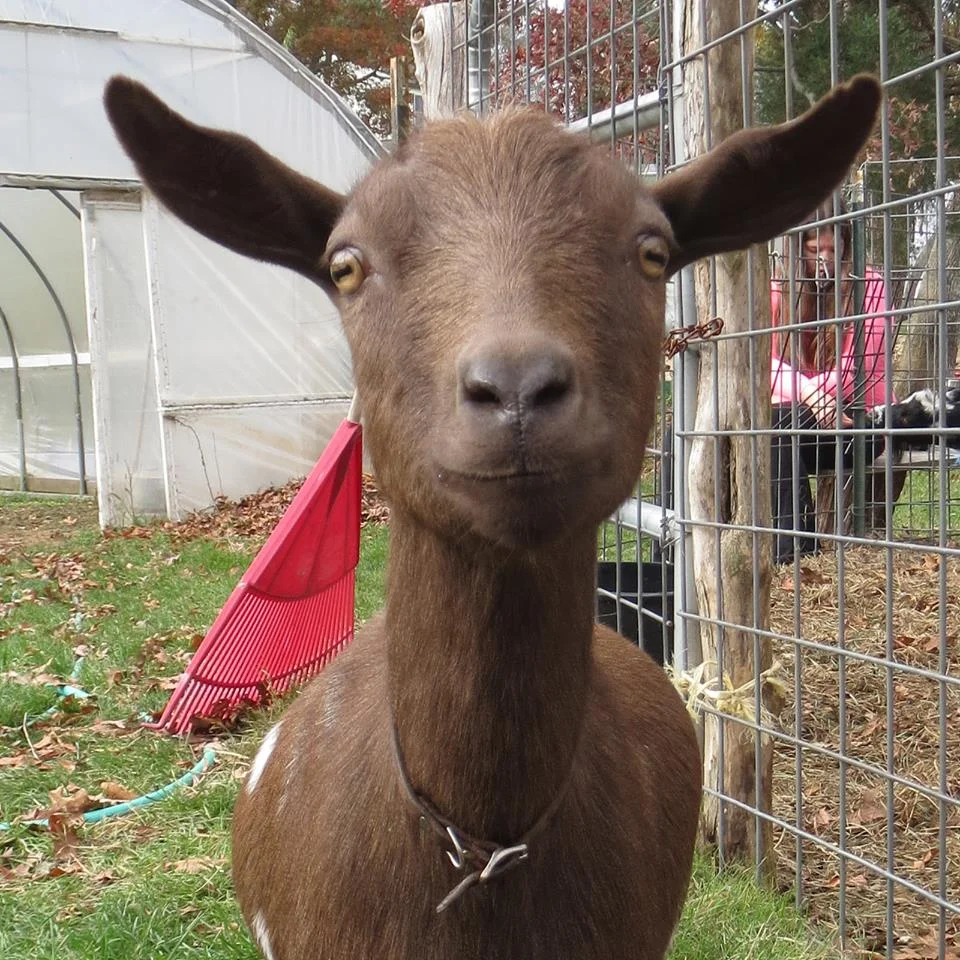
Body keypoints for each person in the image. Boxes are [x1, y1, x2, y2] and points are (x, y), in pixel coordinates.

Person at [769, 198, 892, 563]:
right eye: (812, 249)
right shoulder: (780, 289)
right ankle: (670, 558)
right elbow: (760, 362)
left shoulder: (870, 285)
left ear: (845, 246)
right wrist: (809, 393)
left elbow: (860, 368)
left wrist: (807, 394)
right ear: (798, 250)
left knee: (779, 426)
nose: (822, 259)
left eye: (831, 249)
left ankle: (796, 559)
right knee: (774, 426)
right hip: (800, 413)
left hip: (857, 420)